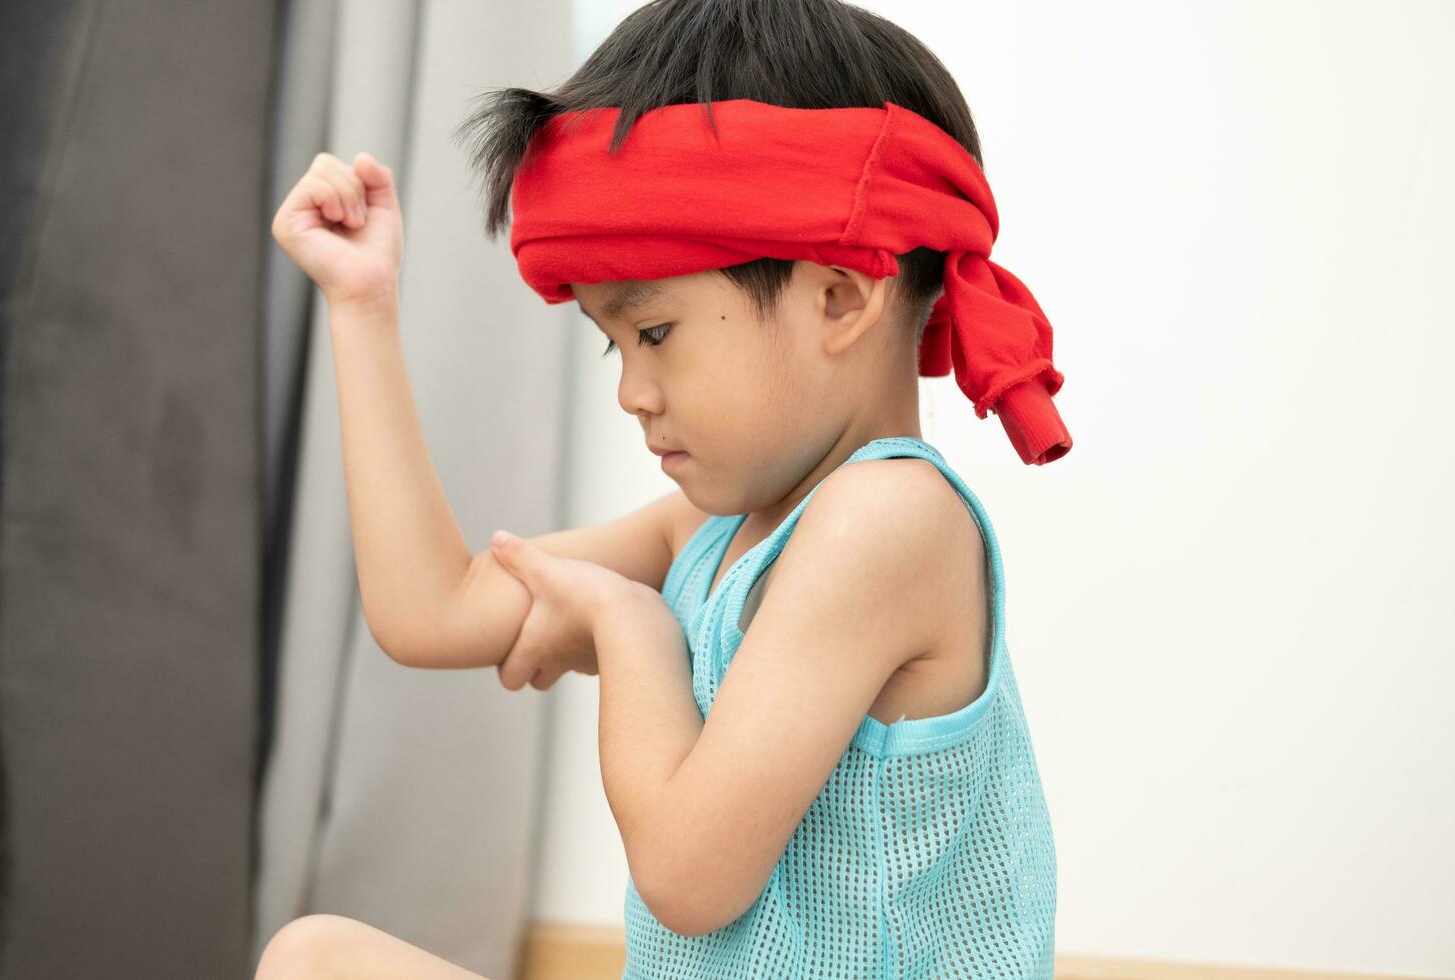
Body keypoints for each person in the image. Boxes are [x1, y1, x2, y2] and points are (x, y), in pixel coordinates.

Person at [263, 0, 1064, 976]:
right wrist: (361, 305)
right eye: (614, 341)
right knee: (316, 956)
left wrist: (629, 624)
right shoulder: (720, 524)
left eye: (655, 333)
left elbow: (688, 876)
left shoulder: (889, 519)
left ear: (842, 295)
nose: (632, 393)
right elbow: (431, 610)